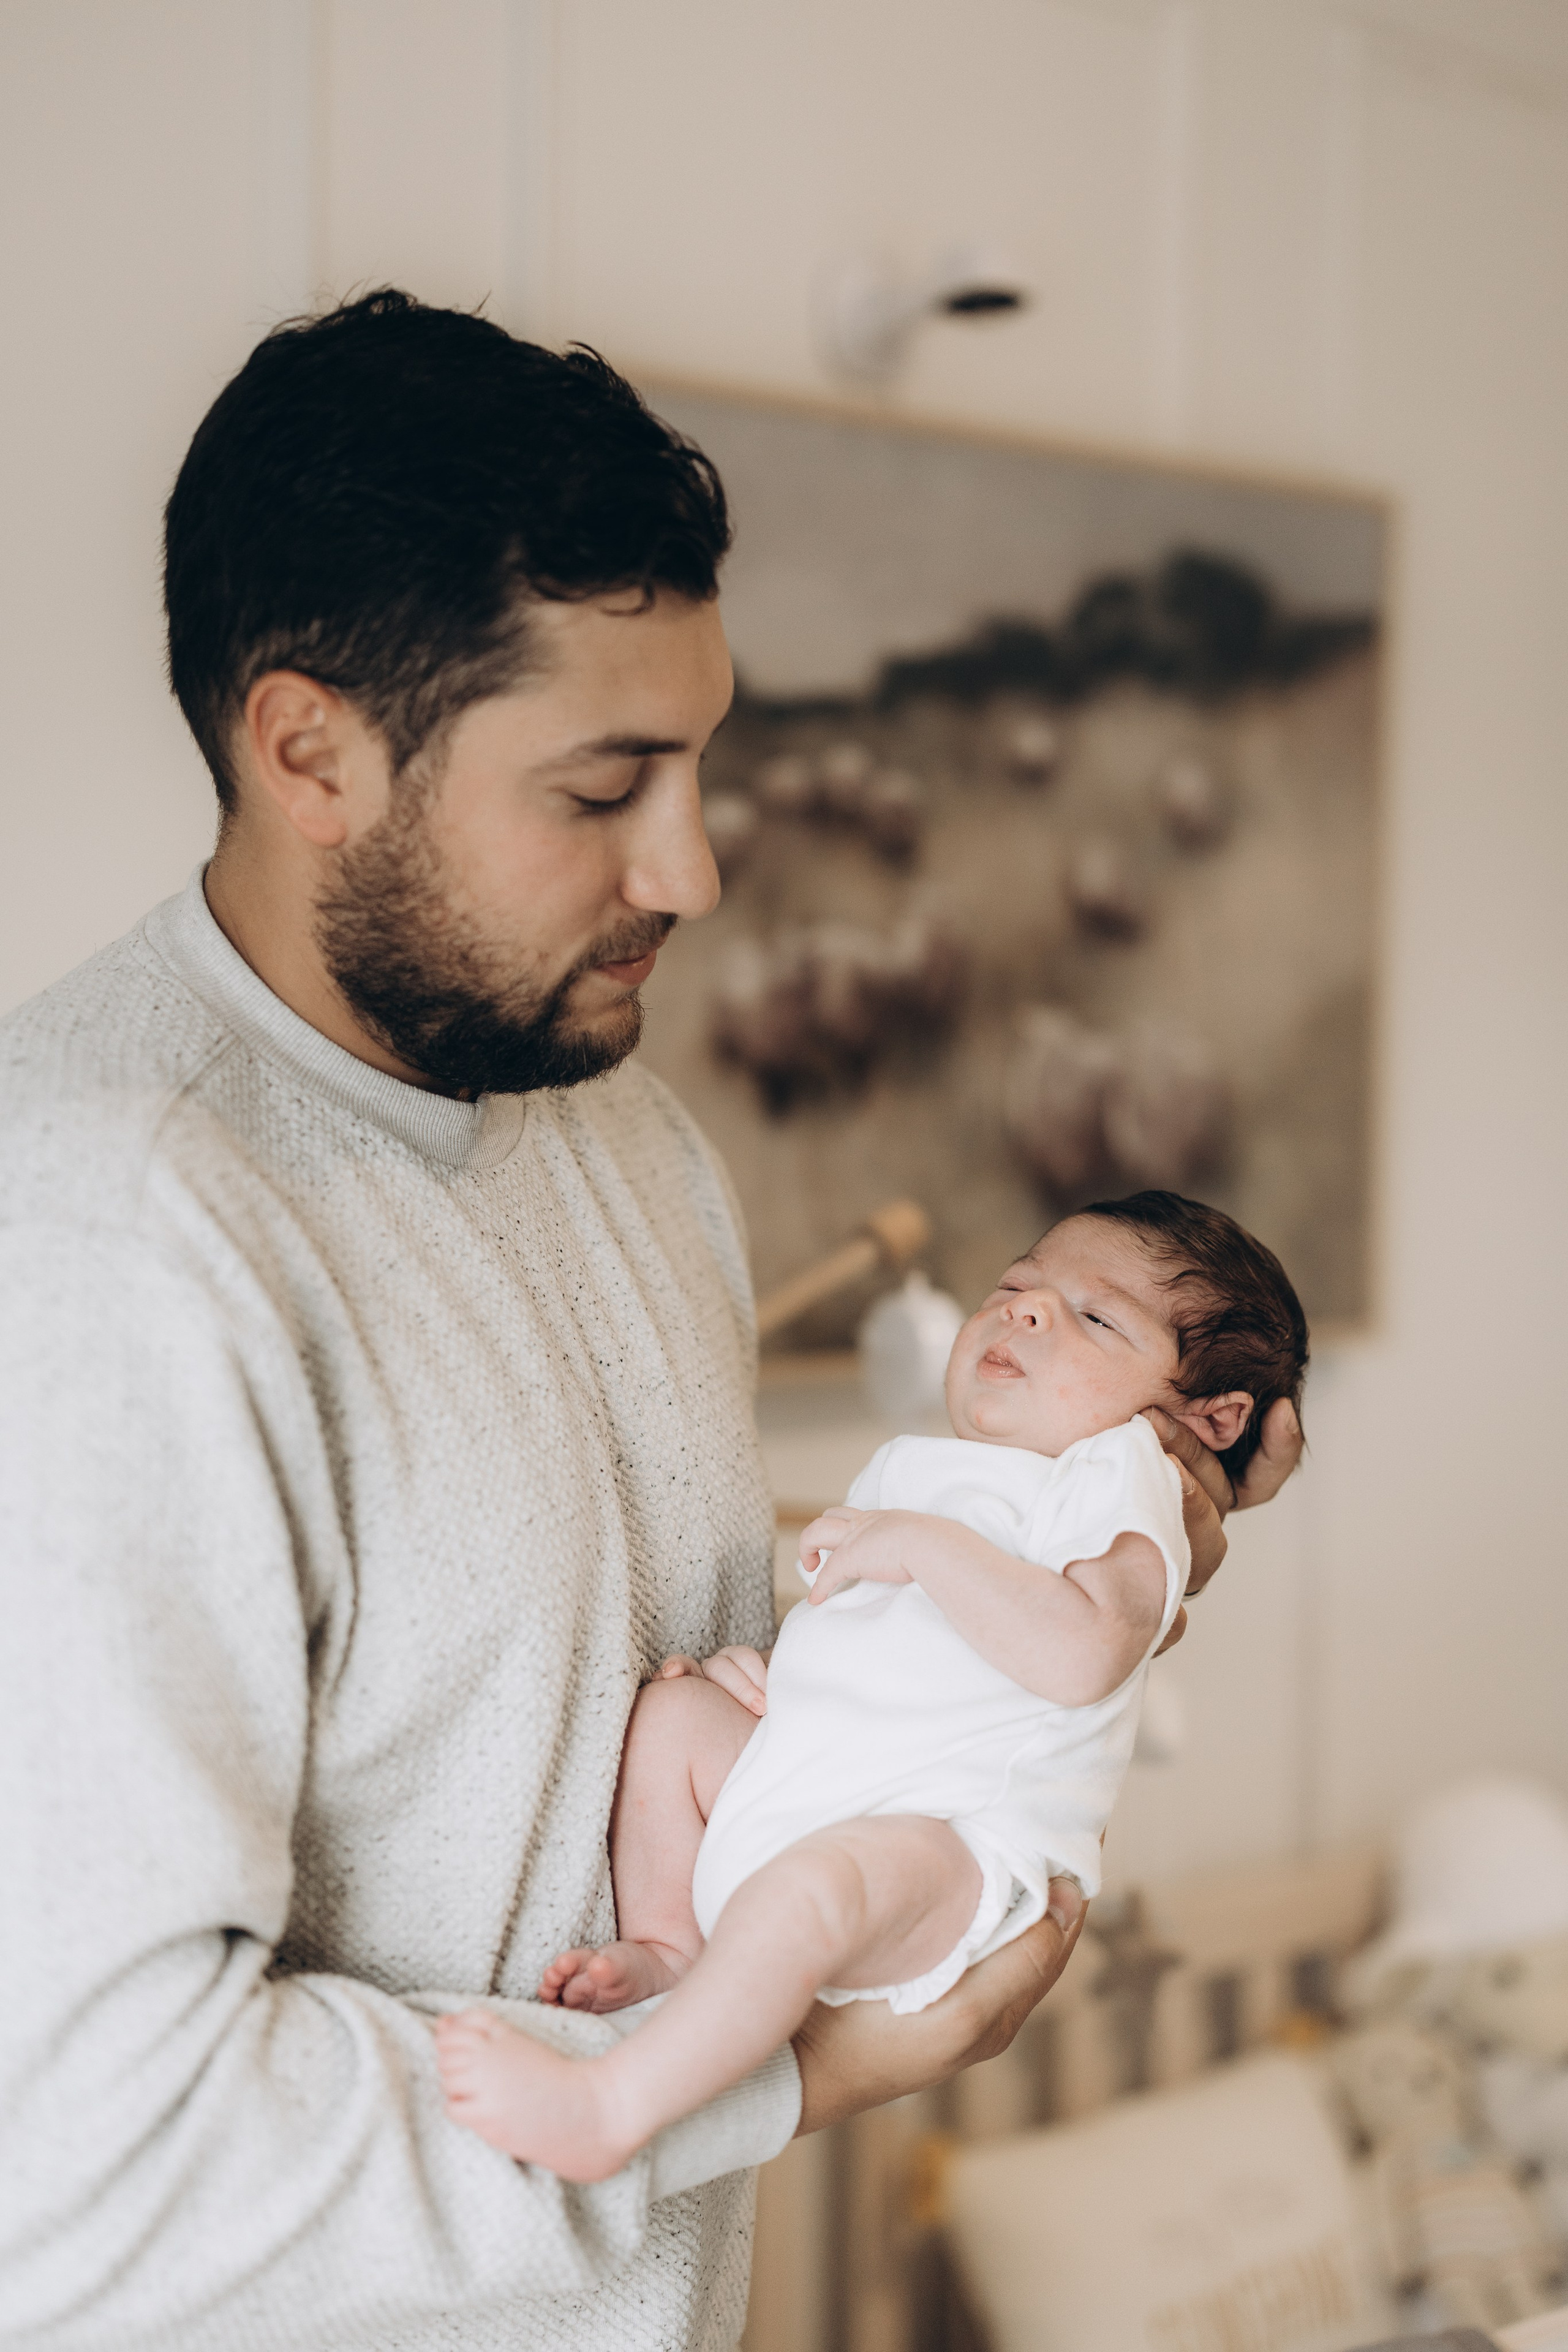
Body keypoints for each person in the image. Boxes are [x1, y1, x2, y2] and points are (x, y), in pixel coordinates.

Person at [0, 292, 1302, 2352]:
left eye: (701, 761)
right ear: (310, 751)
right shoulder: (99, 1238)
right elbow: (83, 2167)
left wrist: (1069, 1538)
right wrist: (797, 2077)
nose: (693, 870)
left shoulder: (626, 1131)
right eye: (607, 786)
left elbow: (586, 1654)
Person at [434, 1193, 1308, 2180]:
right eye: (1015, 1286)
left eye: (1096, 1316)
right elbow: (889, 1646)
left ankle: (612, 2105)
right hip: (820, 1785)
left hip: (953, 1842)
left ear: (1209, 1417)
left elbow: (1082, 1653)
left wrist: (917, 1546)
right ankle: (673, 1949)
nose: (1024, 1310)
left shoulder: (1122, 1472)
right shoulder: (938, 1472)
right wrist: (788, 1680)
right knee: (675, 1716)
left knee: (813, 1893)